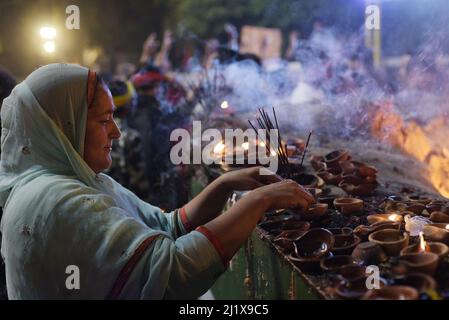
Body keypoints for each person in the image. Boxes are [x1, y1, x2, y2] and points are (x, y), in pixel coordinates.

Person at [0, 63, 313, 299]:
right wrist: (259, 201)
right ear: (62, 125)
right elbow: (170, 274)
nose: (116, 132)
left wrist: (225, 184)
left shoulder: (84, 181)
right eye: (103, 120)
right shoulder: (55, 200)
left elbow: (166, 227)